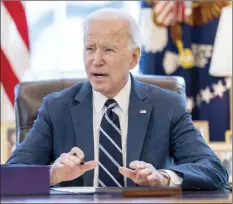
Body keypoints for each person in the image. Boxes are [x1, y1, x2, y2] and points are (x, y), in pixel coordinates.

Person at [6, 8, 229, 190]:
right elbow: (7, 179)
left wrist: (163, 178)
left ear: (134, 57)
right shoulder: (56, 107)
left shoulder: (166, 105)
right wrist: (51, 174)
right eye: (89, 48)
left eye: (108, 50)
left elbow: (213, 170)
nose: (96, 60)